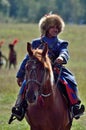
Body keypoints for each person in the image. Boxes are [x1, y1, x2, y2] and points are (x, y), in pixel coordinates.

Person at [11, 13, 85, 121]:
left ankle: (74, 106)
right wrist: (20, 75)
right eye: (53, 27)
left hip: (56, 70)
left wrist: (61, 57)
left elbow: (65, 52)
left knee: (70, 81)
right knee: (27, 83)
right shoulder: (36, 42)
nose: (55, 29)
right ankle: (19, 107)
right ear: (46, 27)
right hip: (38, 71)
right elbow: (28, 59)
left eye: (57, 27)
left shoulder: (61, 43)